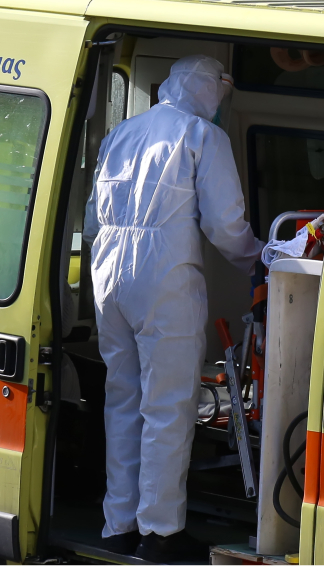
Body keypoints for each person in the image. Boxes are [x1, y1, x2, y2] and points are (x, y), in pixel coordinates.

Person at [82, 55, 264, 563]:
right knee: (167, 406)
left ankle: (117, 524)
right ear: (209, 92)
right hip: (162, 276)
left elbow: (94, 216)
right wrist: (261, 259)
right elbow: (226, 226)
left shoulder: (122, 132)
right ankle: (159, 533)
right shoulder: (202, 136)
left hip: (107, 272)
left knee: (122, 401)